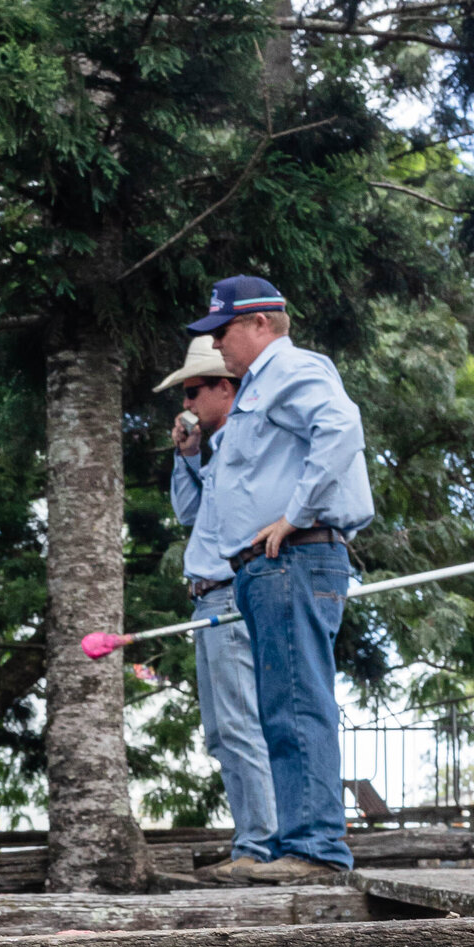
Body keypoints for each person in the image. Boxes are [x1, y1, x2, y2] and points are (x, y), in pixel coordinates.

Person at [178, 274, 373, 881]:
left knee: (295, 704)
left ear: (262, 322)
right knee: (279, 708)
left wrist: (295, 513)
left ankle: (314, 848)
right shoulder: (262, 386)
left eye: (225, 331)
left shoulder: (291, 369)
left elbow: (341, 427)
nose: (219, 346)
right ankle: (297, 843)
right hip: (265, 567)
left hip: (293, 556)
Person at [163, 333, 279, 870]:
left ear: (225, 388)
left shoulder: (245, 443)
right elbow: (191, 516)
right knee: (222, 731)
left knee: (239, 725)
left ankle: (258, 845)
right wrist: (187, 457)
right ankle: (253, 840)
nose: (186, 404)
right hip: (207, 601)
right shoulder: (216, 453)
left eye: (193, 392)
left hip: (229, 595)